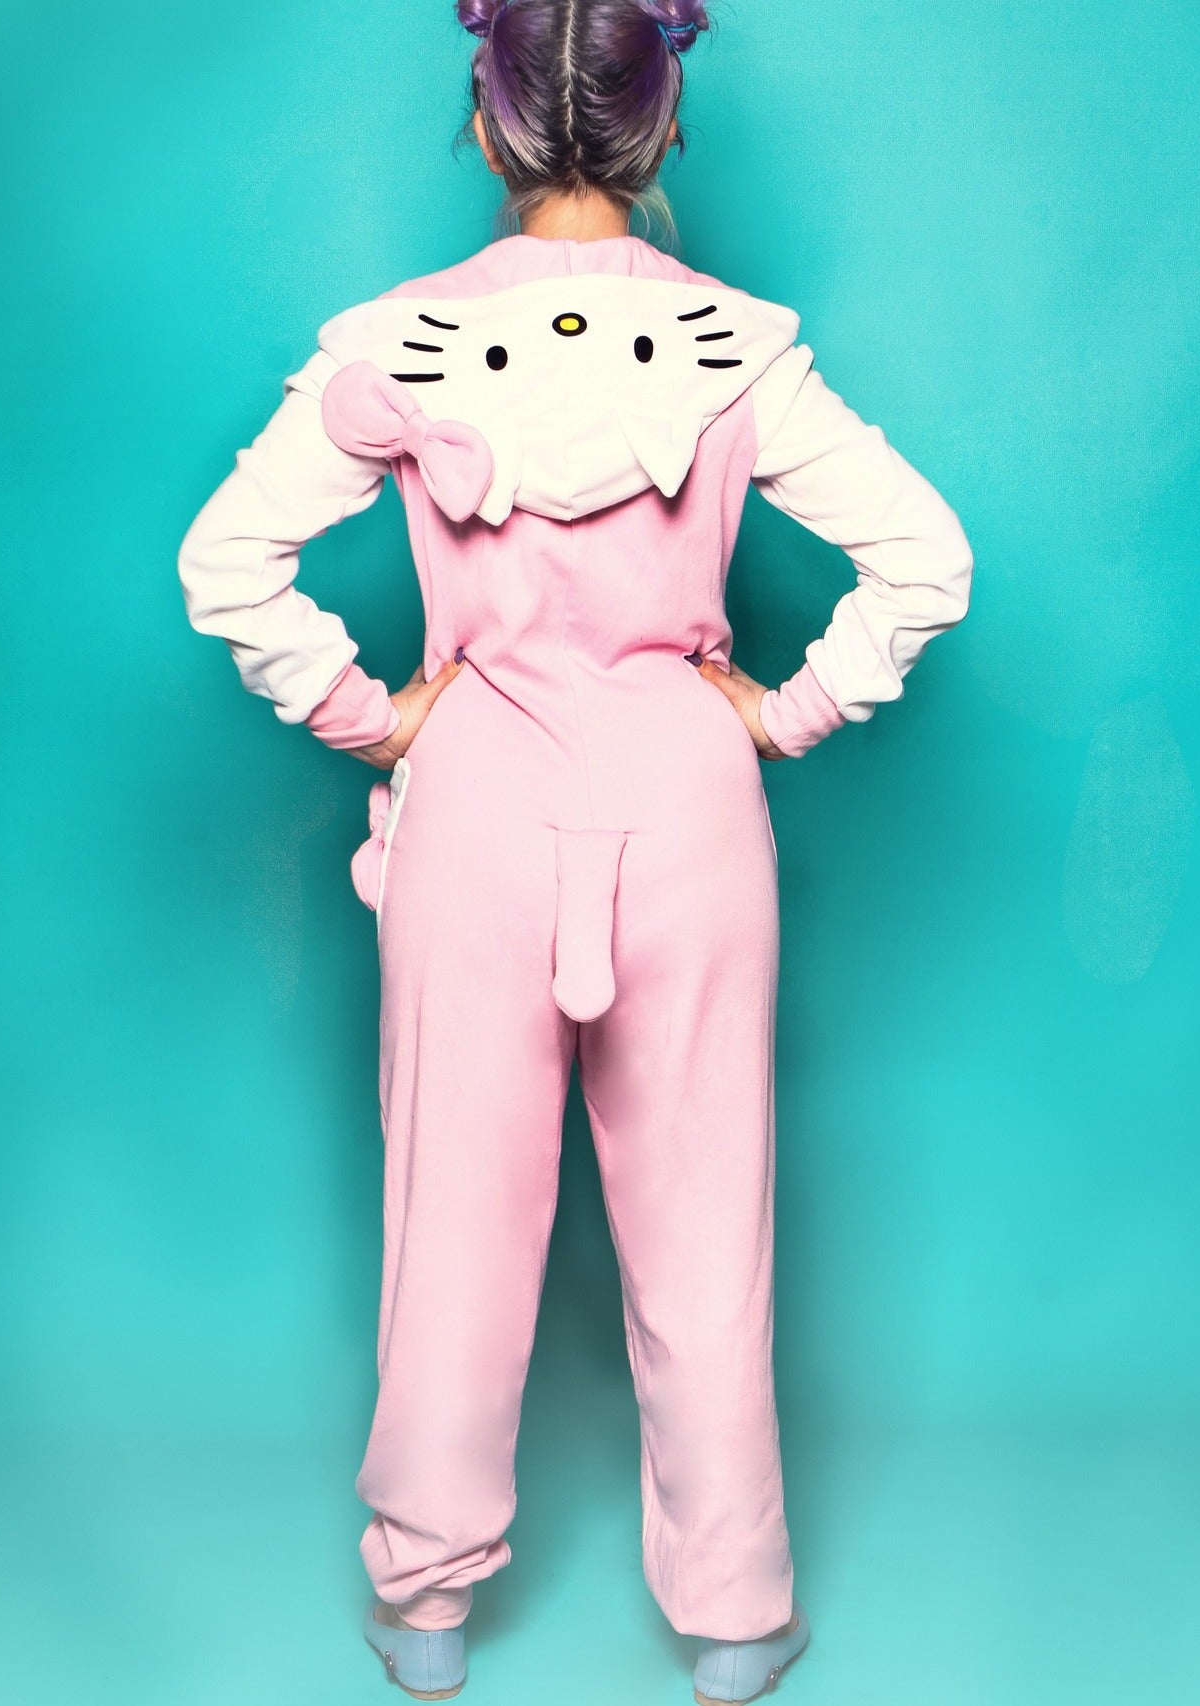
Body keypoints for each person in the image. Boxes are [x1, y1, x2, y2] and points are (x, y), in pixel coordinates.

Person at [176, 2, 974, 1700]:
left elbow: (225, 562)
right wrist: (786, 712)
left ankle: (425, 1606)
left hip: (473, 805)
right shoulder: (736, 346)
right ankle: (737, 1616)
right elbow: (926, 558)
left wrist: (370, 717)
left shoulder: (393, 342)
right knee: (703, 1220)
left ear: (486, 127)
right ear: (662, 124)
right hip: (686, 802)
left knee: (451, 1221)